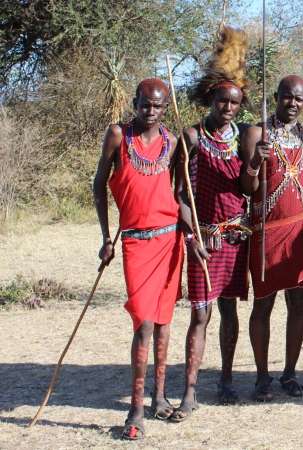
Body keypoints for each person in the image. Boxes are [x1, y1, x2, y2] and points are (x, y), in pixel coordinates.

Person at [93, 78, 182, 440]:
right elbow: (100, 184)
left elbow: (178, 193)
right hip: (135, 243)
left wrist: (191, 235)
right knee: (143, 322)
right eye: (145, 104)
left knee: (163, 322)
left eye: (158, 106)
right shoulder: (118, 135)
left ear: (165, 107)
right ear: (135, 102)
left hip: (169, 240)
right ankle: (135, 408)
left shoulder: (173, 143)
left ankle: (159, 398)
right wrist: (105, 237)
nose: (151, 111)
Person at [171, 26, 250, 422]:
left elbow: (250, 185)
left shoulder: (244, 140)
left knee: (231, 312)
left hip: (236, 238)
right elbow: (180, 196)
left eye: (235, 102)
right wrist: (193, 235)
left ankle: (226, 381)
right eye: (223, 101)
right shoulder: (192, 138)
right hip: (205, 239)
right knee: (200, 315)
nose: (229, 108)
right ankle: (189, 391)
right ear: (211, 98)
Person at [240, 75, 303, 400]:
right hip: (266, 233)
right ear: (276, 97)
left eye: (299, 99)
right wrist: (256, 163)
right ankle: (262, 377)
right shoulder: (256, 133)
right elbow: (246, 190)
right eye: (288, 97)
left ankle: (289, 374)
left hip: (301, 231)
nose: (293, 104)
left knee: (297, 302)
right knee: (263, 305)